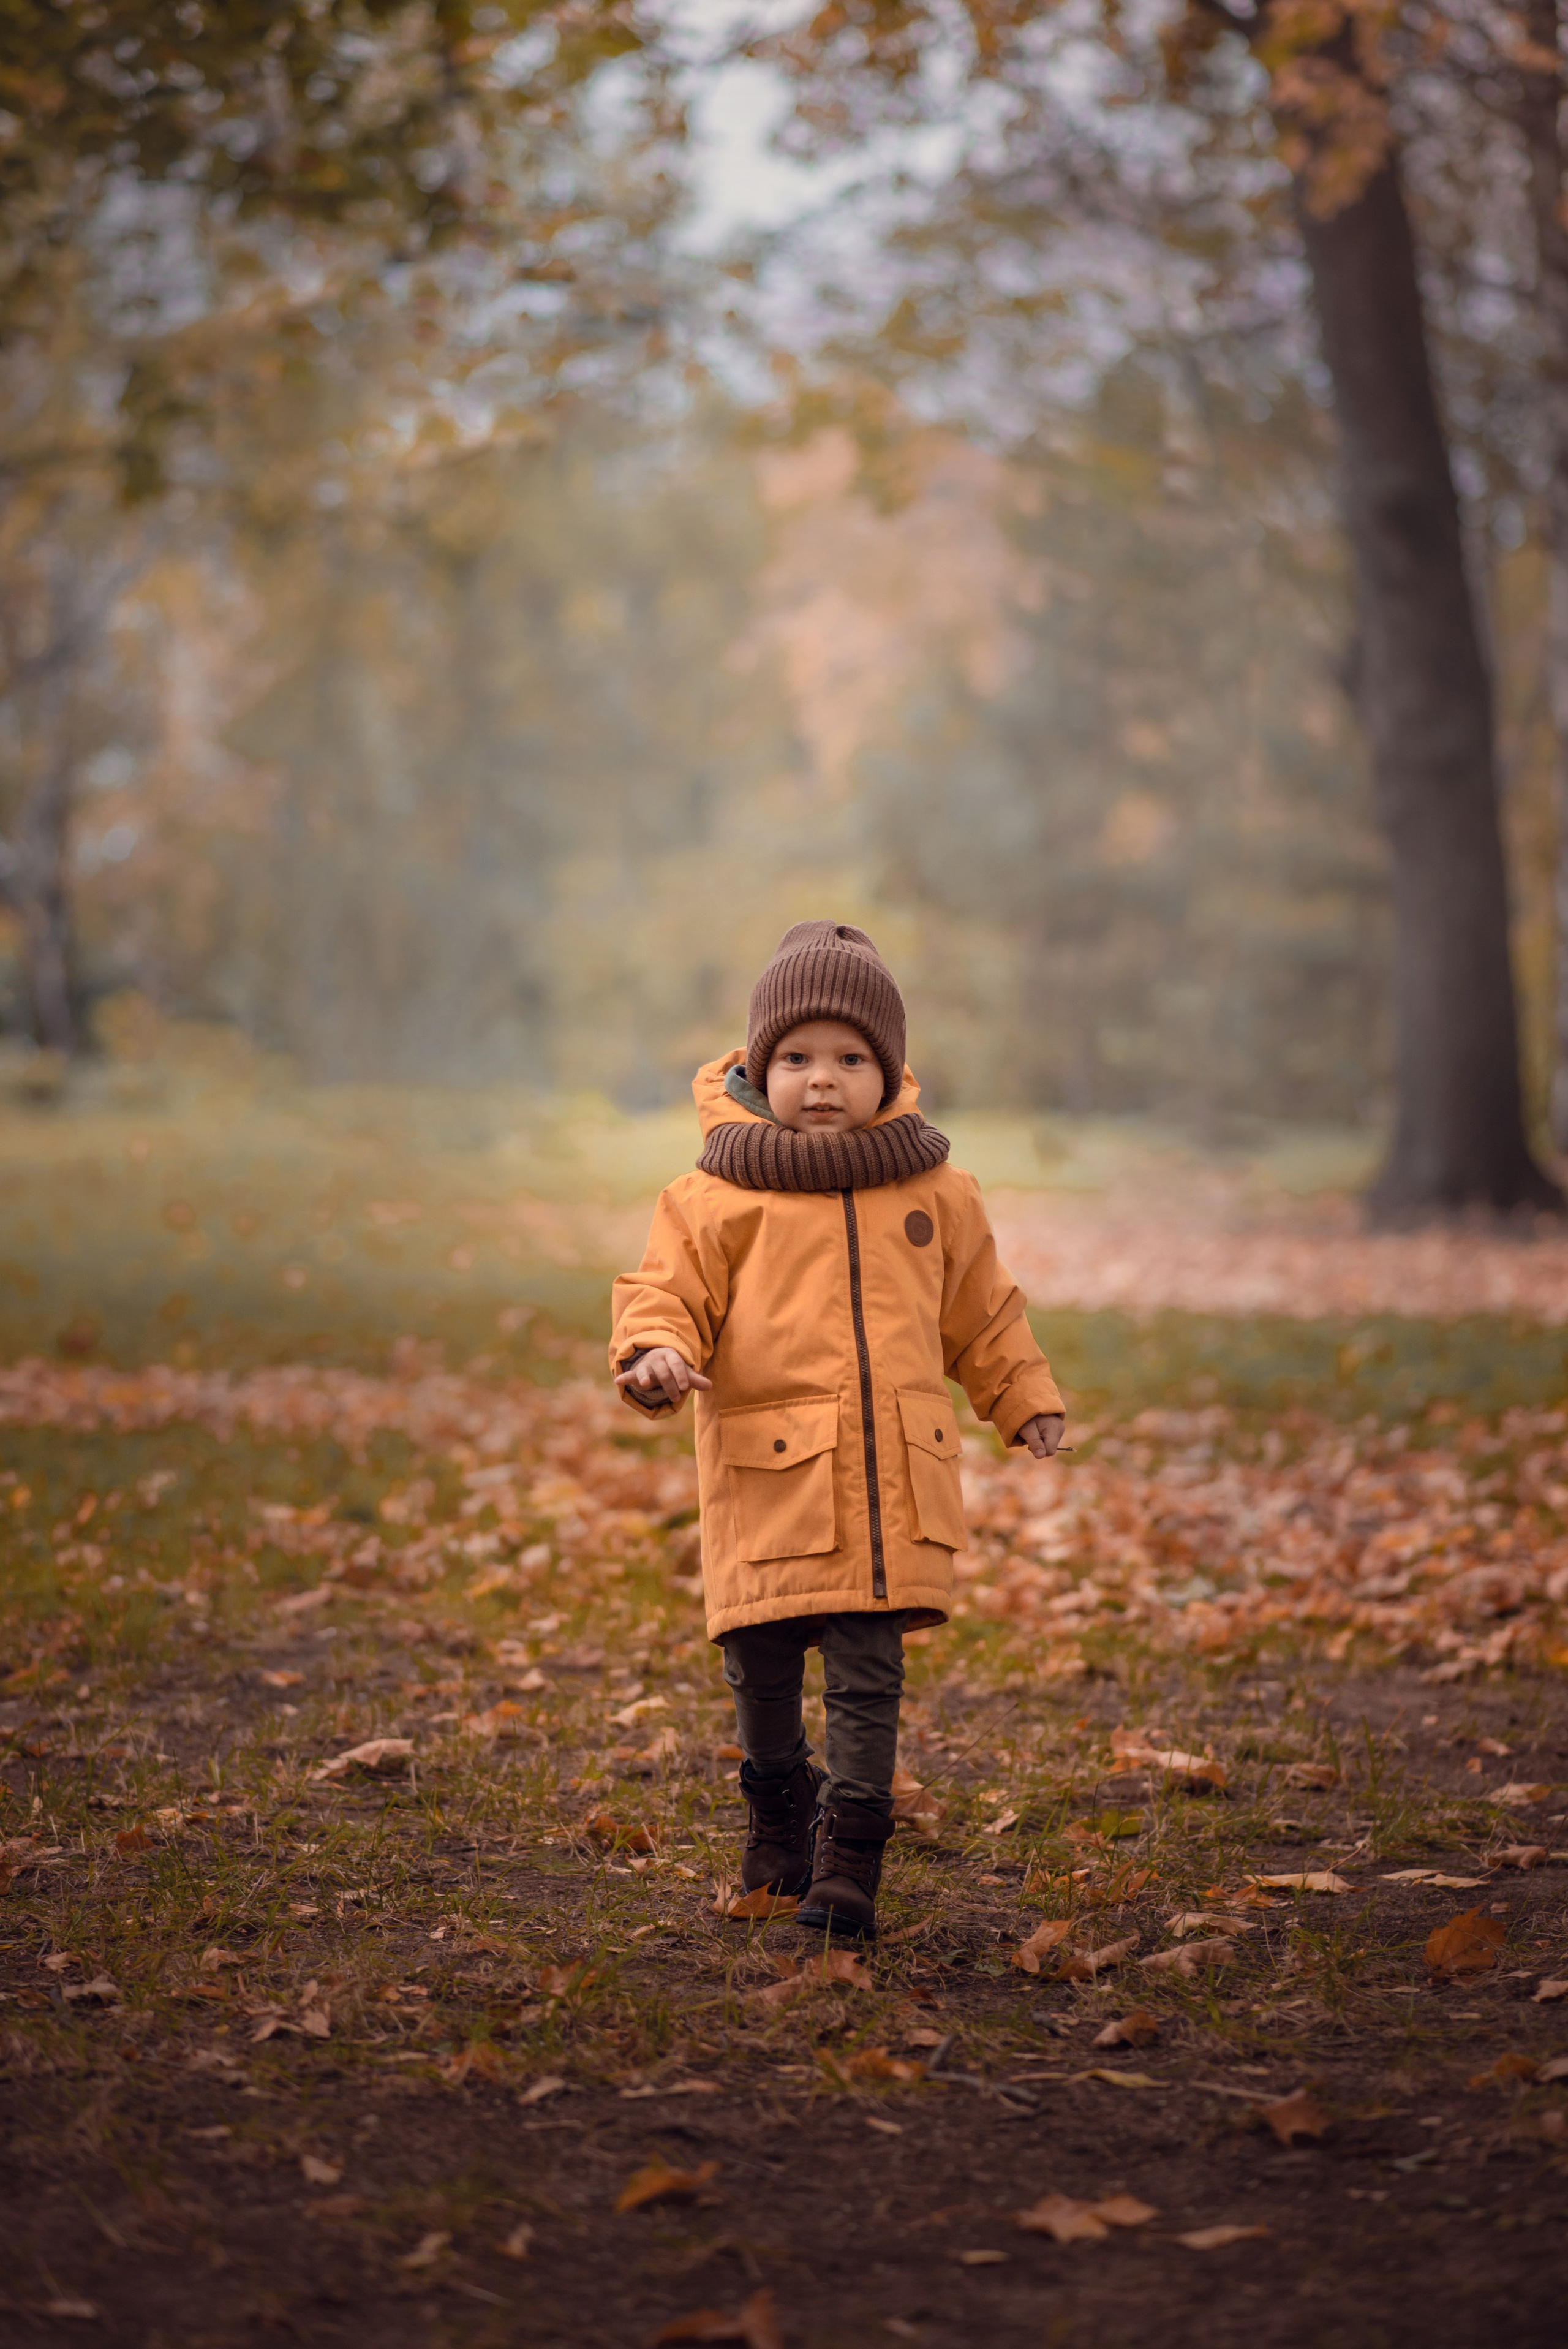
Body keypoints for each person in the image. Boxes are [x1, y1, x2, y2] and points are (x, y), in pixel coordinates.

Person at [609, 921, 1066, 1937]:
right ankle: (778, 1813)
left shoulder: (936, 1194)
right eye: (799, 1058)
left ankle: (850, 1858)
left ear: (891, 1071)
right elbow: (663, 1294)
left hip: (890, 1487)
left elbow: (982, 1311)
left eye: (852, 1059)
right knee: (761, 1665)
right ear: (757, 1068)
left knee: (869, 1670)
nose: (824, 1080)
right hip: (769, 1479)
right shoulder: (713, 1197)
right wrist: (652, 1356)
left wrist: (1023, 1394)